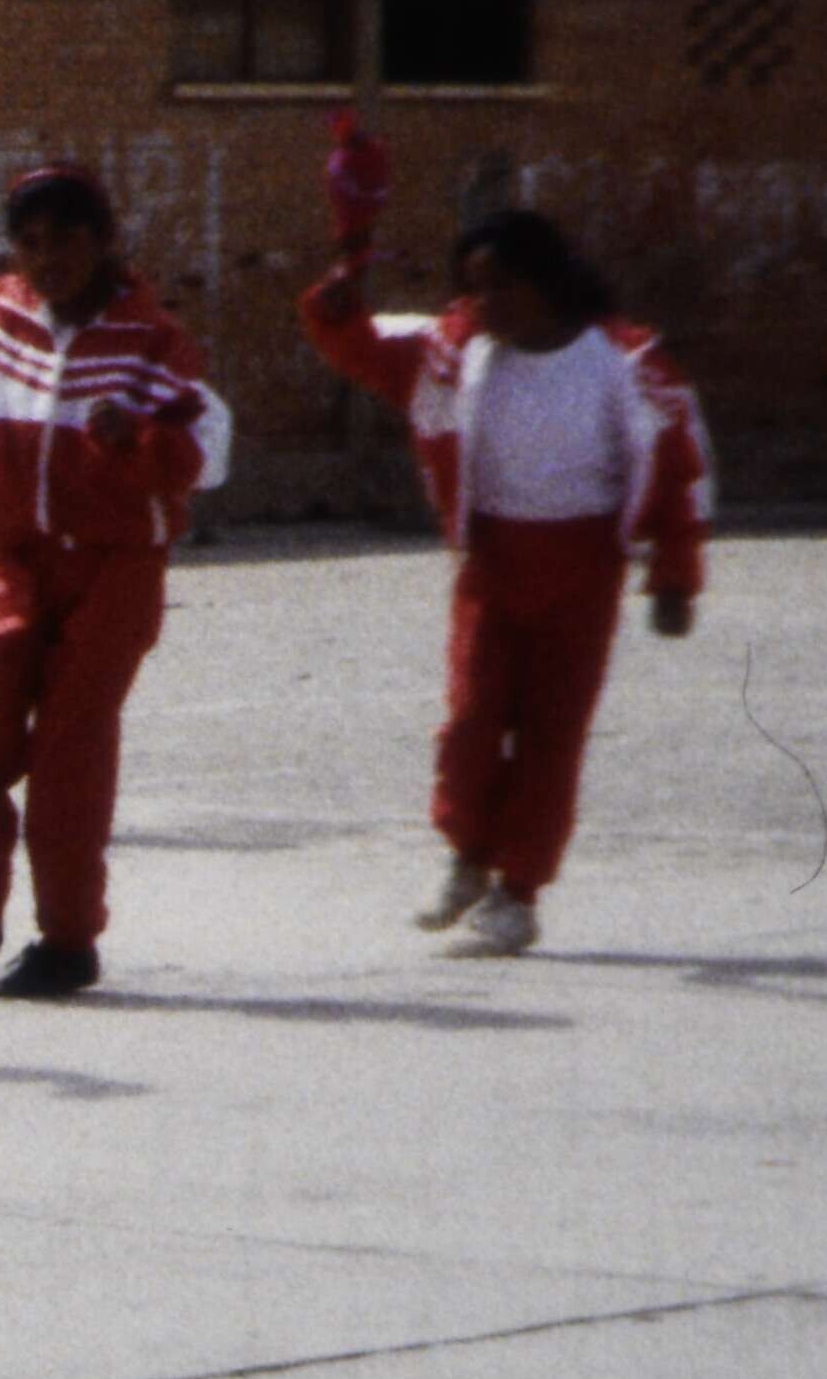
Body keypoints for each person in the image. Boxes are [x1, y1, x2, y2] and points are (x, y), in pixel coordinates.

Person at [300, 203, 708, 955]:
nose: (483, 304)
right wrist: (336, 315)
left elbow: (681, 467)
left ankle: (518, 894)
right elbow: (370, 354)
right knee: (471, 720)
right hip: (490, 562)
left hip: (583, 568)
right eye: (472, 288)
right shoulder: (455, 351)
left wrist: (675, 576)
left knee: (553, 734)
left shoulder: (624, 361)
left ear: (548, 281)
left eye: (501, 287)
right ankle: (467, 857)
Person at [0, 160, 225, 1001]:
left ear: (104, 241)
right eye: (29, 242)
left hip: (115, 567)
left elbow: (207, 454)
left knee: (70, 752)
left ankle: (68, 938)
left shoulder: (153, 341)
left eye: (66, 239)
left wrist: (139, 440)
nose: (47, 257)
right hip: (17, 560)